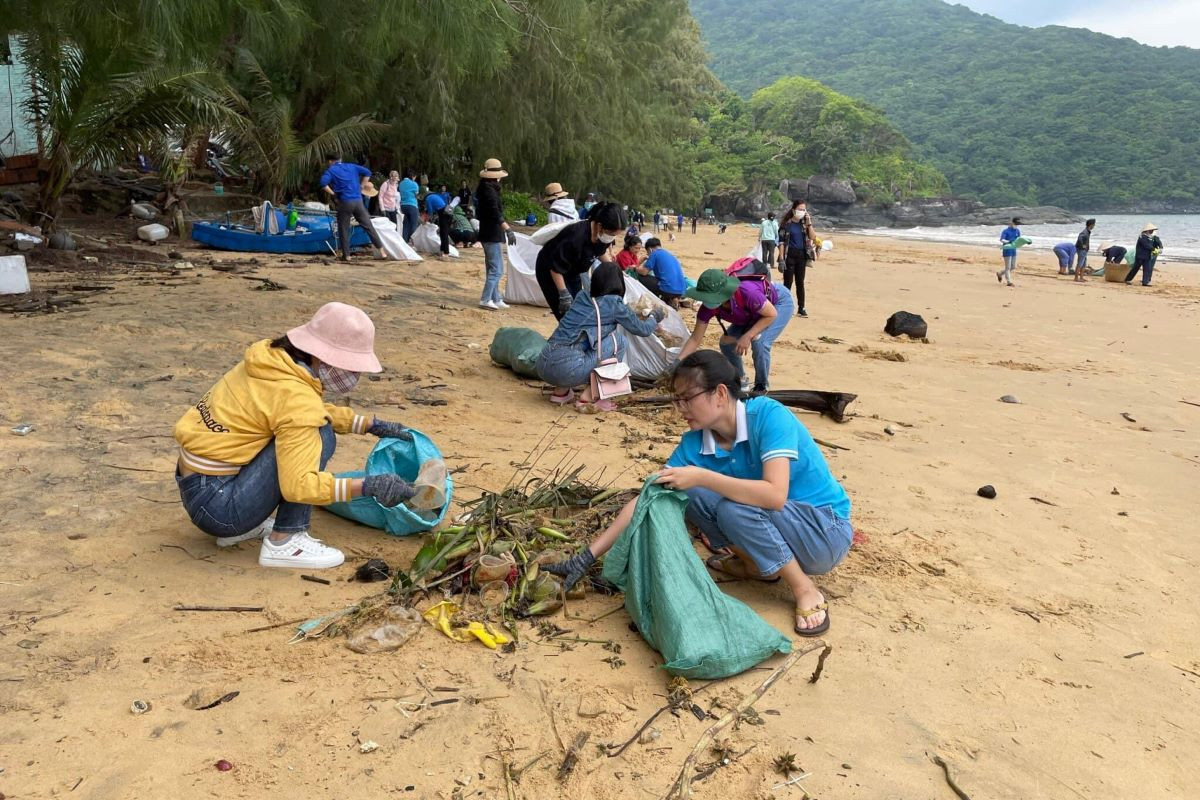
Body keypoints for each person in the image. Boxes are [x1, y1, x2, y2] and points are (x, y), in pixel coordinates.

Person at [545, 350, 851, 635]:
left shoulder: (768, 416)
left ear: (719, 393)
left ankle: (803, 588)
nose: (680, 409)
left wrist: (703, 476)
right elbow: (648, 497)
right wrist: (586, 557)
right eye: (676, 400)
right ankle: (759, 566)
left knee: (726, 503)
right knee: (682, 490)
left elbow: (775, 495)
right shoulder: (695, 443)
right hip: (778, 528)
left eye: (686, 399)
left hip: (823, 533)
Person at [172, 303, 423, 569]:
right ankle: (285, 540)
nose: (354, 376)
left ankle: (243, 527)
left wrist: (368, 424)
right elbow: (299, 483)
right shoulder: (297, 398)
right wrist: (368, 486)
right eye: (350, 367)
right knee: (321, 434)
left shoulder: (273, 360)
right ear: (321, 355)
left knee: (311, 427)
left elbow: (293, 412)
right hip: (220, 508)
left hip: (199, 488)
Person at [536, 262, 664, 410]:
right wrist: (654, 317)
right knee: (619, 341)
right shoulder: (614, 303)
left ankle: (560, 392)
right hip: (567, 369)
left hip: (544, 364)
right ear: (618, 283)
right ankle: (591, 396)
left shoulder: (582, 296)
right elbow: (643, 330)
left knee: (578, 345)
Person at [678, 267, 794, 394]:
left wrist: (748, 335)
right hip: (751, 314)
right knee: (726, 343)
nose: (707, 301)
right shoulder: (708, 307)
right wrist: (677, 362)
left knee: (759, 342)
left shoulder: (747, 293)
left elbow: (771, 314)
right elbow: (695, 338)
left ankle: (761, 387)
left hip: (777, 304)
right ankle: (740, 379)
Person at [535, 202, 626, 320]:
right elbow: (555, 268)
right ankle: (565, 336)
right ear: (599, 226)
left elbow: (600, 252)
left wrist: (614, 269)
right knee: (567, 314)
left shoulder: (603, 236)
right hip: (551, 271)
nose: (612, 238)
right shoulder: (576, 237)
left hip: (574, 271)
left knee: (579, 309)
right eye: (612, 234)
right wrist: (563, 294)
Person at [318, 154, 387, 261]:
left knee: (344, 229)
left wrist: (333, 194)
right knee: (369, 226)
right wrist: (361, 186)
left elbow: (323, 183)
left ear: (330, 161)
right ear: (340, 159)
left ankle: (347, 256)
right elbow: (368, 172)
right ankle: (383, 253)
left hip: (345, 202)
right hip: (358, 201)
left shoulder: (331, 170)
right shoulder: (352, 166)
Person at [475, 157, 518, 310]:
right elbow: (495, 213)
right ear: (496, 176)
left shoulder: (486, 190)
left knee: (493, 267)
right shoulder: (489, 192)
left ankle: (496, 297)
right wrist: (508, 229)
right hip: (491, 233)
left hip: (489, 233)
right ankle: (485, 299)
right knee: (497, 269)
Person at [778, 203, 813, 316]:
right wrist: (782, 259)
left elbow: (813, 237)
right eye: (800, 209)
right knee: (788, 282)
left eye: (804, 210)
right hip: (789, 256)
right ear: (793, 210)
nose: (802, 211)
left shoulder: (804, 225)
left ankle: (801, 308)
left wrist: (809, 223)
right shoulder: (786, 224)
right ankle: (784, 307)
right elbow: (781, 242)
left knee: (800, 282)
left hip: (802, 256)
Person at [637, 237, 687, 307]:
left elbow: (644, 272)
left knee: (640, 276)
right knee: (660, 281)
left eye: (647, 252)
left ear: (650, 249)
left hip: (668, 289)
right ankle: (670, 299)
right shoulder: (670, 254)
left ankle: (656, 299)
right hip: (681, 290)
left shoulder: (654, 254)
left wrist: (636, 267)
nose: (648, 254)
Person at [425, 183, 453, 260]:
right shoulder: (435, 196)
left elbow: (430, 212)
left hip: (444, 213)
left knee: (444, 233)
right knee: (443, 233)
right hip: (448, 212)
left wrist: (428, 221)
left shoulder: (428, 199)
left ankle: (446, 253)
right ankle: (442, 250)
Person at [997, 216, 1021, 286]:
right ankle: (1009, 282)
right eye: (1015, 224)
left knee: (1013, 267)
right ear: (1012, 223)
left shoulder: (1017, 231)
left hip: (1014, 250)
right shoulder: (1006, 231)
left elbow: (1019, 239)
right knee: (1008, 267)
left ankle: (1000, 273)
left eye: (1017, 224)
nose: (1016, 225)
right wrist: (1008, 242)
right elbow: (1002, 239)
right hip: (1007, 249)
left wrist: (1026, 242)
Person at [398, 169, 421, 242]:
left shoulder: (401, 183)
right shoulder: (414, 184)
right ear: (413, 176)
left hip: (403, 205)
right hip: (412, 205)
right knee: (414, 224)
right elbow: (417, 195)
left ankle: (404, 241)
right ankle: (412, 242)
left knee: (406, 224)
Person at [1074, 218, 1095, 282]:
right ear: (1091, 225)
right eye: (1094, 225)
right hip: (1081, 250)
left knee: (1083, 264)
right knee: (1080, 264)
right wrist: (1083, 245)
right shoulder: (1085, 232)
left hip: (1084, 250)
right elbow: (1080, 238)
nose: (1094, 226)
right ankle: (1076, 278)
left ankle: (1081, 277)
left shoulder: (1087, 231)